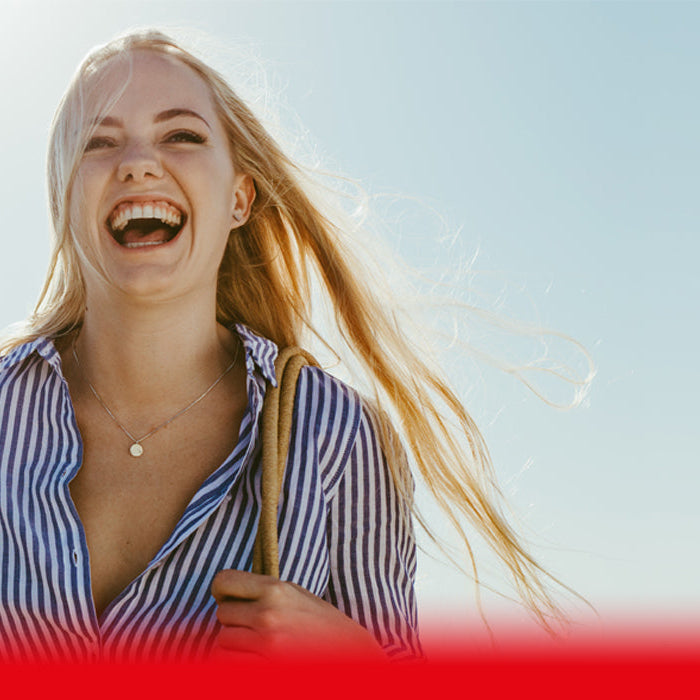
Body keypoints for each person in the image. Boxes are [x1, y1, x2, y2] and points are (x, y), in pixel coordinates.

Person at [0, 30, 581, 662]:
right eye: (99, 142)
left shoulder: (339, 437)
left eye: (182, 136)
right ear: (63, 198)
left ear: (239, 200)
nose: (139, 162)